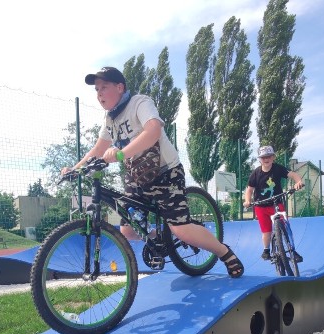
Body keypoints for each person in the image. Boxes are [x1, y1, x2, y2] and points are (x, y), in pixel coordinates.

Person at [62, 66, 243, 278]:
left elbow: (153, 130)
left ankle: (225, 252)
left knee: (181, 229)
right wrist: (75, 170)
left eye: (104, 87)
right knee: (128, 230)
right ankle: (160, 239)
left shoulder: (140, 102)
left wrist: (121, 153)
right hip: (138, 178)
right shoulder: (109, 120)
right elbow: (98, 149)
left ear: (120, 87)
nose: (99, 93)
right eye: (96, 90)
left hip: (166, 173)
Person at [242, 145, 304, 261]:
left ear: (273, 157)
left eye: (269, 156)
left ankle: (292, 251)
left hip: (276, 202)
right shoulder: (255, 173)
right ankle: (266, 250)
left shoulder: (278, 169)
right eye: (263, 157)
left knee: (285, 226)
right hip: (261, 206)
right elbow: (249, 189)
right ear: (259, 159)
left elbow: (293, 175)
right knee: (266, 231)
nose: (266, 159)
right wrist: (247, 200)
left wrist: (298, 182)